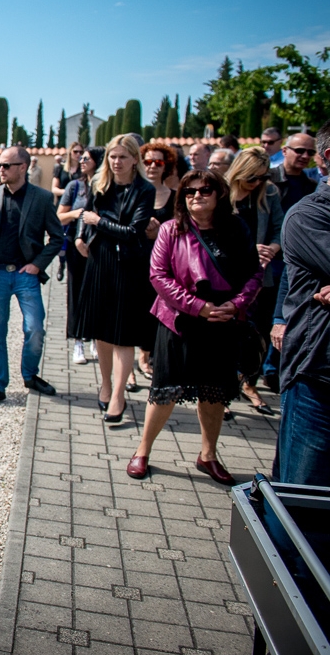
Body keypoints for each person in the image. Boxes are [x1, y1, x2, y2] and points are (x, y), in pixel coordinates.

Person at [127, 170, 263, 484]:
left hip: (223, 322)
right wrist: (198, 307)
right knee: (165, 392)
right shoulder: (171, 230)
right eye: (189, 191)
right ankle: (142, 451)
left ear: (219, 194)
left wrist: (235, 305)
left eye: (204, 190)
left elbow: (254, 273)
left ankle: (208, 455)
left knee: (214, 394)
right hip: (179, 322)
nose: (196, 196)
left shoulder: (237, 228)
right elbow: (158, 276)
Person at [0, 146, 63, 407]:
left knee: (35, 329)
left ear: (23, 167)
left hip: (25, 275)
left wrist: (37, 264)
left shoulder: (41, 198)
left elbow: (57, 238)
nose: (1, 169)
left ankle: (30, 375)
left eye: (6, 165)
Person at [73, 134, 155, 423]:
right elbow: (87, 214)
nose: (117, 162)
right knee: (100, 331)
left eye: (122, 156)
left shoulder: (144, 189)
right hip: (99, 261)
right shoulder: (100, 183)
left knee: (122, 334)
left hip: (127, 265)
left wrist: (99, 223)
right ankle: (106, 385)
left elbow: (133, 232)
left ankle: (118, 396)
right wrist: (81, 236)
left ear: (135, 159)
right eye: (112, 156)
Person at [274, 125, 330, 486]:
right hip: (318, 378)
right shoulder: (310, 215)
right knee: (301, 499)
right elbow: (287, 279)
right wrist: (278, 317)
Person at [226, 147, 284, 415]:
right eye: (252, 177)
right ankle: (221, 391)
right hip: (227, 276)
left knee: (256, 333)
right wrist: (248, 251)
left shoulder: (269, 193)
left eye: (263, 177)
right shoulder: (221, 192)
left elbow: (280, 230)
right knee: (226, 335)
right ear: (240, 172)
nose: (257, 182)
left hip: (260, 276)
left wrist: (272, 248)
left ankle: (248, 383)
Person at [137, 142, 179, 380]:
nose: (152, 166)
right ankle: (131, 362)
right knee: (133, 310)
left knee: (155, 309)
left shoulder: (175, 197)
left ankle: (147, 355)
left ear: (166, 166)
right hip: (134, 259)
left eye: (158, 162)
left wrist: (161, 231)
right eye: (148, 161)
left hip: (163, 264)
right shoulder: (134, 193)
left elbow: (180, 231)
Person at [57, 147, 103, 365]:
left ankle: (95, 338)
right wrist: (78, 214)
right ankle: (77, 341)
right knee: (76, 293)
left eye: (87, 158)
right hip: (76, 246)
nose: (82, 161)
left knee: (98, 294)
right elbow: (59, 217)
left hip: (101, 247)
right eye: (81, 157)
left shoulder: (107, 188)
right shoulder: (74, 186)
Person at [269, 132, 319, 214]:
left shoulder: (312, 186)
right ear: (284, 151)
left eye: (310, 153)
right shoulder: (267, 179)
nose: (305, 156)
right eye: (300, 151)